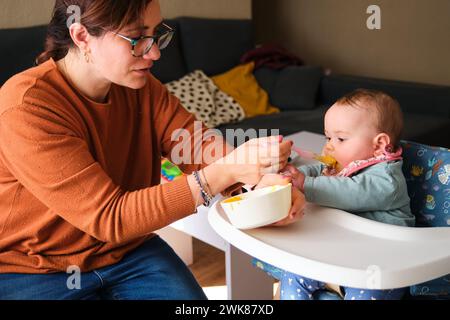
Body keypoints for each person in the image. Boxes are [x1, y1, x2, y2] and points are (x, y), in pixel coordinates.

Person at [0, 0, 303, 300]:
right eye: (137, 38)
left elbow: (194, 145)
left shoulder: (141, 87)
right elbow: (111, 218)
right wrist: (222, 174)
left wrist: (259, 186)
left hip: (128, 251)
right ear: (81, 36)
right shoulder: (26, 105)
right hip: (33, 268)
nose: (154, 52)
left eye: (156, 34)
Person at [278, 89, 415, 300]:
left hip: (383, 267)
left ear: (379, 145)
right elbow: (316, 170)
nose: (329, 146)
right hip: (341, 258)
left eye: (340, 138)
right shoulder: (345, 164)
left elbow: (351, 191)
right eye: (328, 137)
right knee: (292, 274)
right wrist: (294, 175)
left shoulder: (387, 180)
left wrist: (306, 185)